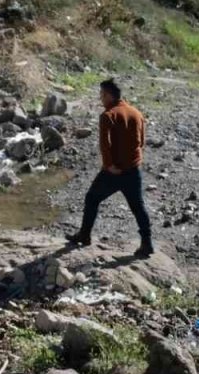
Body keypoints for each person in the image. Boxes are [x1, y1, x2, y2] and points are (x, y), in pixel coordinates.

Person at [66, 78, 153, 258]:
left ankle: (84, 235)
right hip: (133, 170)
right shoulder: (136, 113)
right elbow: (142, 141)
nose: (100, 98)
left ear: (109, 95)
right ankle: (147, 244)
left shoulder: (108, 115)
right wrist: (133, 160)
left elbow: (105, 145)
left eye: (102, 95)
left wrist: (109, 166)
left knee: (92, 198)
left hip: (114, 171)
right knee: (138, 207)